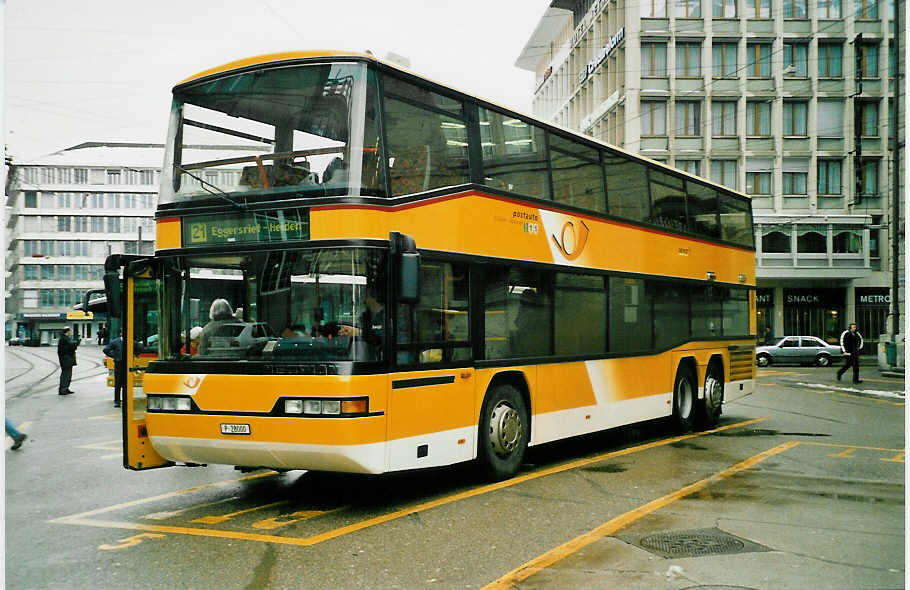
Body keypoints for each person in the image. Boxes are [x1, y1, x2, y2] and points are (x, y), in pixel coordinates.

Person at [103, 331, 125, 407]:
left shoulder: (131, 341)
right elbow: (106, 350)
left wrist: (135, 354)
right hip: (119, 364)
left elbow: (140, 347)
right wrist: (114, 356)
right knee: (118, 383)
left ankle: (126, 400)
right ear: (121, 333)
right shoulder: (115, 342)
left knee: (126, 384)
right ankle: (117, 401)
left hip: (127, 364)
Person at [57, 327, 78, 395]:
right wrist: (75, 343)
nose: (70, 333)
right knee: (66, 374)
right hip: (66, 359)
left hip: (67, 359)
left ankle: (65, 388)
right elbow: (69, 347)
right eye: (70, 331)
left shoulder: (65, 338)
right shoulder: (64, 339)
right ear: (67, 331)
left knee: (68, 374)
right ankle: (63, 389)